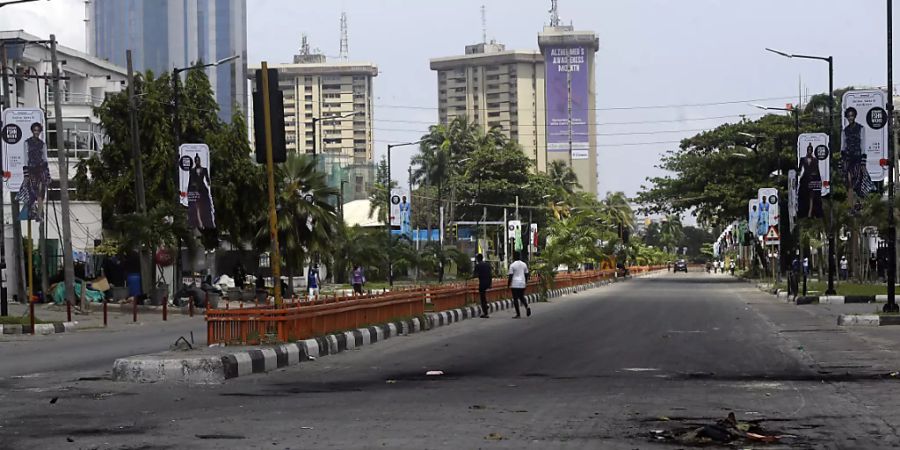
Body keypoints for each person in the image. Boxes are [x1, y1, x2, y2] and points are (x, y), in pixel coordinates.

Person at [842, 107, 875, 215]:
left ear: (854, 116)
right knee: (849, 183)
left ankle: (859, 204)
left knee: (859, 181)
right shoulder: (845, 131)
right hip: (848, 159)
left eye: (852, 115)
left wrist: (863, 161)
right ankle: (851, 207)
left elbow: (863, 145)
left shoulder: (861, 128)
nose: (850, 118)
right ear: (846, 117)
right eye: (848, 116)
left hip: (857, 158)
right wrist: (842, 160)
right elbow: (843, 146)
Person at [17, 122, 50, 221]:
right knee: (31, 192)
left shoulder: (42, 144)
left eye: (38, 130)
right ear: (32, 131)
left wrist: (48, 175)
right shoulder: (27, 143)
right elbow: (25, 159)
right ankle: (31, 212)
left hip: (41, 171)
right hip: (31, 170)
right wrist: (26, 174)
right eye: (35, 130)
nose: (36, 132)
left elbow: (45, 159)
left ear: (40, 131)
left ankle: (39, 215)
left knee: (40, 193)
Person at [187, 154, 216, 230]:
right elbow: (191, 180)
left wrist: (209, 182)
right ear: (194, 161)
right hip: (195, 189)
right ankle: (199, 222)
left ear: (199, 161)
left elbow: (207, 178)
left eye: (198, 161)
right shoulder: (192, 170)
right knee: (196, 206)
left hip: (203, 188)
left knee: (205, 205)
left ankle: (206, 221)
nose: (197, 162)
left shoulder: (204, 169)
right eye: (196, 161)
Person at [798, 142, 824, 218]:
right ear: (807, 150)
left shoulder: (815, 160)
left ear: (812, 151)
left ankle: (810, 212)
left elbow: (817, 170)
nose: (809, 151)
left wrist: (819, 180)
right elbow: (800, 170)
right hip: (805, 178)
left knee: (812, 195)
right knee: (804, 194)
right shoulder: (803, 159)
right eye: (808, 150)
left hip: (812, 179)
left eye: (810, 150)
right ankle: (805, 211)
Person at [507, 251, 530, 318]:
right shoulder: (524, 264)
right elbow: (526, 274)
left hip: (515, 284)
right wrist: (525, 282)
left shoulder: (512, 265)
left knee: (515, 299)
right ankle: (527, 306)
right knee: (521, 297)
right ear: (520, 256)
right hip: (522, 283)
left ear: (513, 257)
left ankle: (518, 314)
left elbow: (510, 276)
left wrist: (508, 285)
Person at [472, 254, 493, 318]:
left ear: (478, 259)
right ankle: (486, 306)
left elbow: (475, 275)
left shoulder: (478, 265)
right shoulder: (487, 265)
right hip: (488, 282)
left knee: (482, 297)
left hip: (482, 283)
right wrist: (490, 283)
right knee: (483, 296)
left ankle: (485, 313)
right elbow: (490, 274)